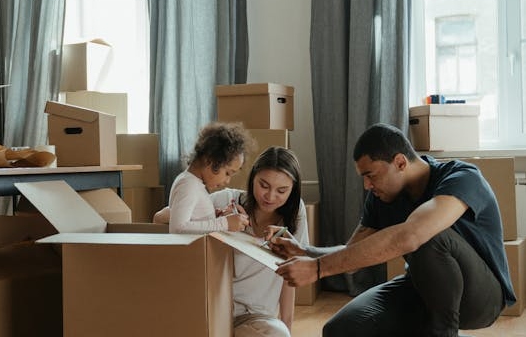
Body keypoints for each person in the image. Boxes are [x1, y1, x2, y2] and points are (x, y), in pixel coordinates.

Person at [270, 123, 516, 337]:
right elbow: (351, 254)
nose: (366, 185)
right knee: (340, 329)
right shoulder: (382, 196)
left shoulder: (462, 177)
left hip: (481, 299)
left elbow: (412, 235)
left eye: (370, 175)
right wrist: (305, 251)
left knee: (428, 236)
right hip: (420, 289)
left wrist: (318, 269)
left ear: (400, 162)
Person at [156, 146, 310, 337]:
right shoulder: (227, 199)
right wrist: (217, 219)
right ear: (252, 179)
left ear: (292, 191)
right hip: (214, 311)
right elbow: (160, 217)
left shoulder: (295, 214)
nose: (270, 196)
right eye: (263, 185)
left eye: (281, 190)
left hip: (256, 318)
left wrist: (288, 327)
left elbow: (290, 274)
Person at [167, 121, 252, 234]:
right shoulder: (188, 185)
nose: (227, 181)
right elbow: (177, 228)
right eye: (227, 173)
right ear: (210, 160)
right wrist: (224, 223)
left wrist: (214, 218)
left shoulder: (194, 184)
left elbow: (194, 222)